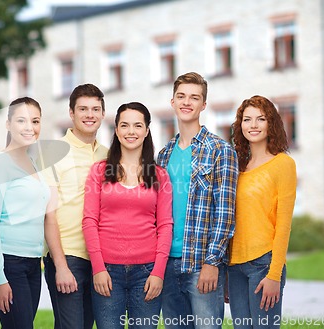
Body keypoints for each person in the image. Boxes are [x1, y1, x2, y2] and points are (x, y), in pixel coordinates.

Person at [156, 72, 238, 329]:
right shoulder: (163, 154)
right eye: (181, 96)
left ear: (203, 105)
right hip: (167, 264)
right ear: (172, 101)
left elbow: (225, 212)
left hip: (201, 263)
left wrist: (212, 262)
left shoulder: (220, 150)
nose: (186, 102)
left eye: (194, 97)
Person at [82, 102, 173, 329]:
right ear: (116, 130)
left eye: (137, 125)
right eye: (124, 125)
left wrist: (158, 272)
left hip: (147, 273)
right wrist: (98, 268)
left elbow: (165, 226)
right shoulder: (99, 171)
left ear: (147, 130)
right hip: (107, 271)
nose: (131, 132)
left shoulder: (160, 175)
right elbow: (89, 221)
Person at [42, 83, 108, 329]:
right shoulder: (53, 152)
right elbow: (48, 216)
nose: (89, 115)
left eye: (95, 109)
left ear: (102, 114)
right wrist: (60, 266)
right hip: (68, 256)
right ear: (71, 113)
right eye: (83, 109)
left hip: (99, 257)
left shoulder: (107, 154)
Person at [227, 95, 296, 328]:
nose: (253, 125)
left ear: (271, 124)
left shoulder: (283, 164)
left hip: (264, 265)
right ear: (240, 125)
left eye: (260, 119)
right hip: (234, 267)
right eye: (247, 120)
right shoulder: (236, 166)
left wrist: (275, 274)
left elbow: (284, 223)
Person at [0, 97, 52, 329]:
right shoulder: (0, 163)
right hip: (9, 263)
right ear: (8, 124)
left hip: (33, 263)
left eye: (35, 121)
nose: (29, 127)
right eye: (21, 120)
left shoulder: (33, 163)